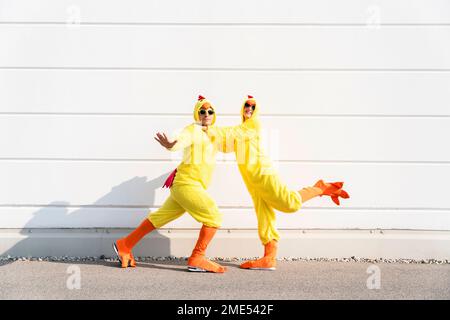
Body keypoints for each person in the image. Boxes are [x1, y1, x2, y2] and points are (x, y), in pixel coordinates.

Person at [208, 95, 349, 270]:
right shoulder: (240, 131)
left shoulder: (252, 126)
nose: (249, 109)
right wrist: (205, 134)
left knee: (290, 204)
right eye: (247, 106)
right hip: (254, 182)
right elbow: (225, 145)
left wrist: (210, 130)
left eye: (253, 107)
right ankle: (269, 258)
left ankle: (319, 188)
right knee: (265, 216)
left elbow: (232, 133)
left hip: (264, 175)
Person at [112, 95, 227, 273]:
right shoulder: (192, 130)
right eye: (202, 111)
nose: (206, 114)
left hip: (183, 185)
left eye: (210, 111)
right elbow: (180, 140)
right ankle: (197, 257)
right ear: (197, 114)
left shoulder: (214, 134)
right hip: (188, 185)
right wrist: (171, 145)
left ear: (214, 114)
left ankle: (125, 244)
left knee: (159, 217)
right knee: (214, 217)